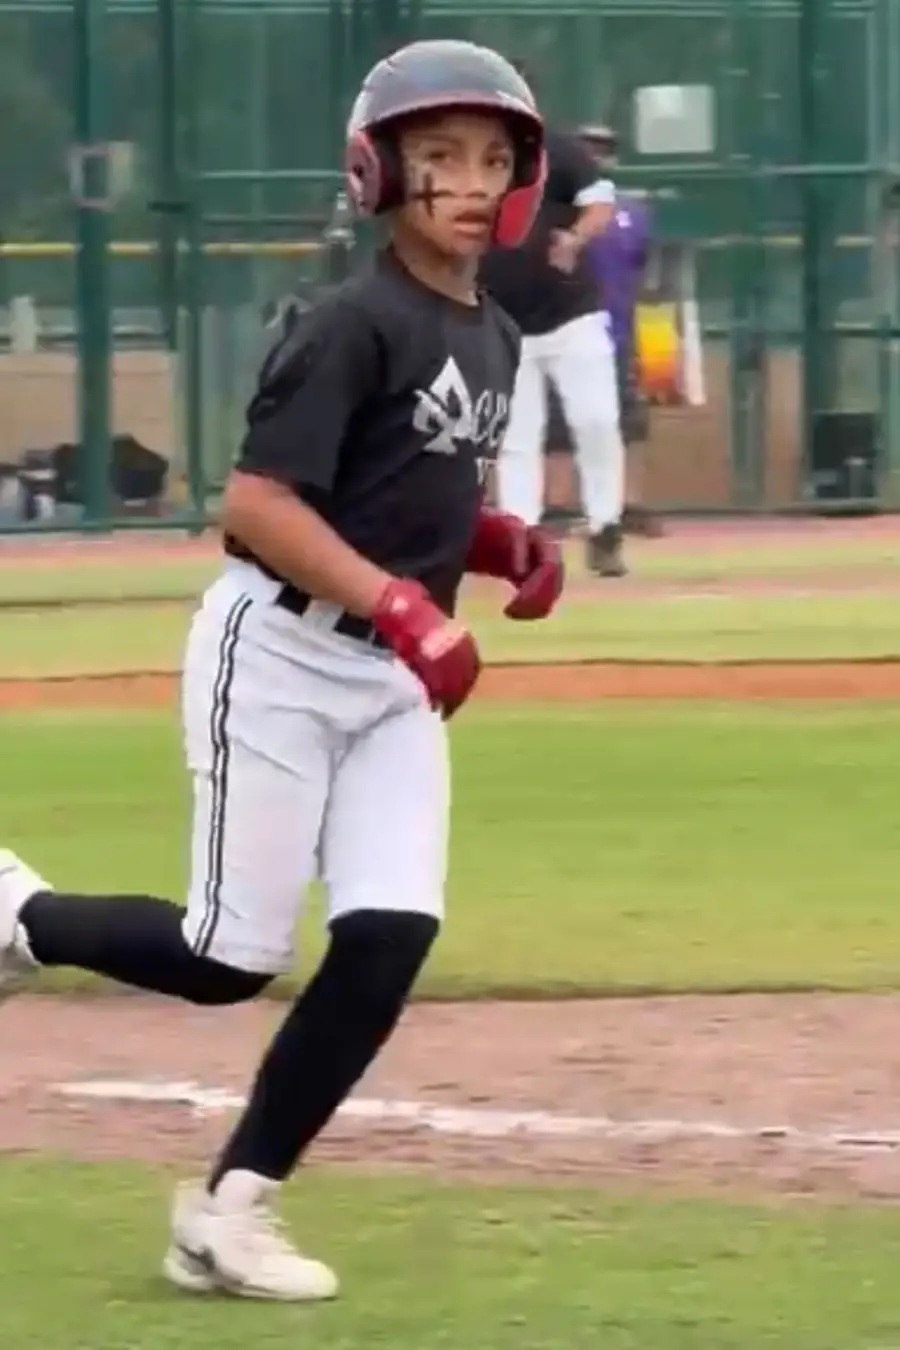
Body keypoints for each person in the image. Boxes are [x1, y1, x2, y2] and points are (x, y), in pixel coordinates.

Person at [0, 39, 563, 1302]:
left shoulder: (496, 335)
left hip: (389, 683)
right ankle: (14, 915)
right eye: (440, 158)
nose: (472, 183)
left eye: (493, 159)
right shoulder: (348, 323)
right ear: (379, 174)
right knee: (226, 958)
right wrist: (406, 606)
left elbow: (407, 491)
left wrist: (498, 543)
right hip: (280, 657)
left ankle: (230, 1212)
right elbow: (258, 506)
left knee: (389, 937)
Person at [481, 67, 627, 578]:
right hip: (503, 322)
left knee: (596, 421)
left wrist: (575, 238)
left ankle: (605, 529)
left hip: (572, 316)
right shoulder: (476, 160)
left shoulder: (558, 150)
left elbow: (599, 202)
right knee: (517, 438)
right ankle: (522, 540)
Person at [578, 123, 664, 538]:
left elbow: (650, 272)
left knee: (629, 420)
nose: (597, 157)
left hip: (620, 331)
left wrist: (657, 337)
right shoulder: (556, 208)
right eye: (588, 149)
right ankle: (557, 506)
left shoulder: (633, 211)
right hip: (565, 328)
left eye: (604, 150)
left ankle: (630, 504)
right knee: (556, 424)